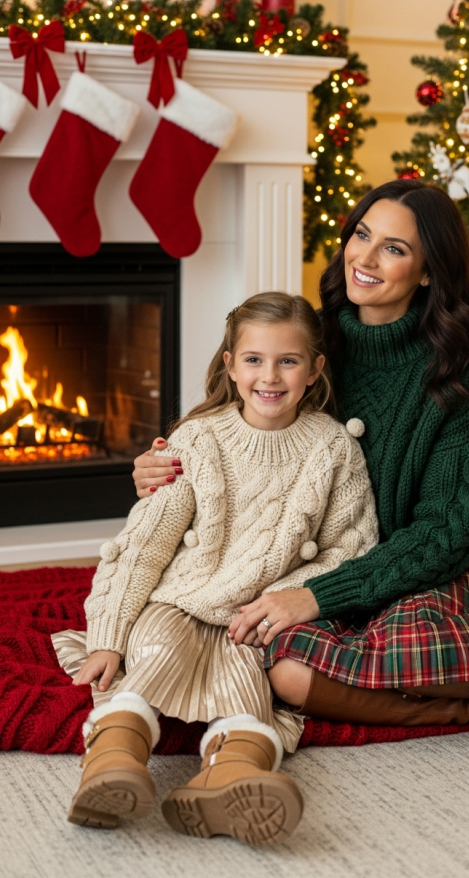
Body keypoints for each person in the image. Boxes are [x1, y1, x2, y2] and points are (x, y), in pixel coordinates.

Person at [134, 180, 469, 747]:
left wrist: (315, 598)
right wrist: (166, 464)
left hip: (442, 572)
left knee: (408, 633)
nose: (366, 256)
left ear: (429, 271)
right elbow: (234, 425)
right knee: (282, 668)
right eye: (362, 235)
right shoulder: (314, 340)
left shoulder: (462, 369)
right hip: (333, 565)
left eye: (395, 248)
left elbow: (446, 533)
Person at [53, 292, 377, 845]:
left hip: (255, 617)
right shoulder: (198, 440)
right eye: (253, 359)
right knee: (148, 656)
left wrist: (286, 594)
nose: (269, 376)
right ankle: (112, 760)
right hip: (181, 598)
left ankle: (232, 778)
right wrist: (107, 636)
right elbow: (145, 545)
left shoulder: (332, 448)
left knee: (248, 685)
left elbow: (349, 548)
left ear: (315, 368)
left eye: (288, 361)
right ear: (229, 363)